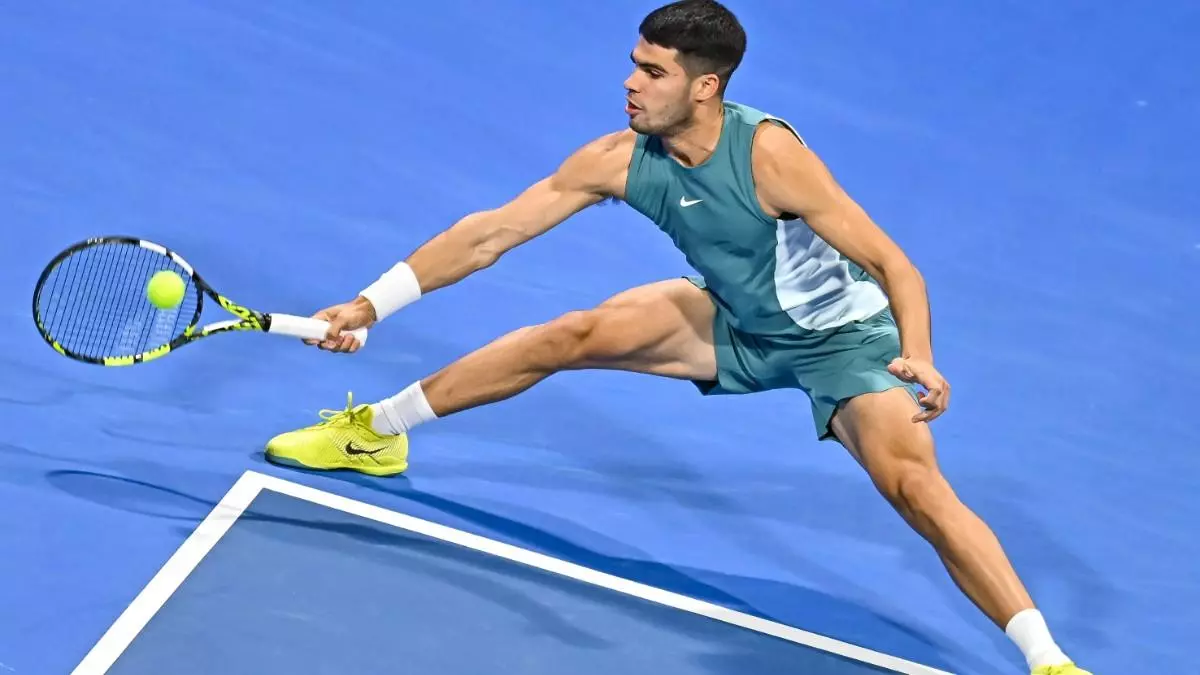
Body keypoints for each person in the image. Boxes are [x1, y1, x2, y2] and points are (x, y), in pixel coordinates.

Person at [263, 2, 1089, 673]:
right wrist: (370, 304)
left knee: (913, 487)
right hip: (733, 318)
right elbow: (489, 235)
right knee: (568, 334)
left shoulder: (771, 156)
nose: (630, 82)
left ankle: (1046, 658)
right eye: (634, 63)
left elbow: (893, 262)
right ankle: (377, 433)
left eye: (652, 72)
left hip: (843, 344)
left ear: (705, 86)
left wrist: (920, 353)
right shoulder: (619, 159)